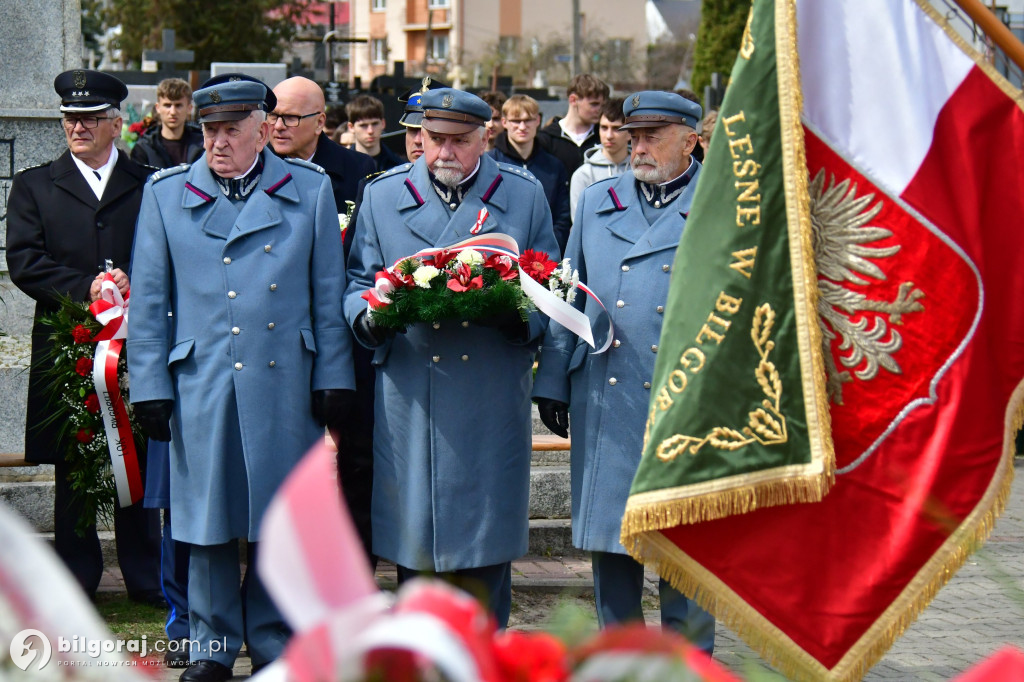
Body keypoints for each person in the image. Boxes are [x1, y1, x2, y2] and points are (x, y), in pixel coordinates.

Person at [127, 77, 355, 682]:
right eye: (209, 130)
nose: (218, 142)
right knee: (206, 521)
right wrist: (148, 385)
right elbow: (148, 301)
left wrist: (334, 377)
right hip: (202, 380)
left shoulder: (309, 189)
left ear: (263, 129)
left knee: (280, 519)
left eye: (231, 130)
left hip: (285, 381)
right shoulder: (167, 194)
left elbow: (327, 292)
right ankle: (211, 645)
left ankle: (275, 639)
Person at [343, 88, 559, 628]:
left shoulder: (523, 195)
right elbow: (355, 280)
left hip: (490, 389)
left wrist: (518, 317)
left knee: (485, 545)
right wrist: (370, 317)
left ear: (485, 137)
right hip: (412, 391)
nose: (443, 152)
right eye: (434, 138)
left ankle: (484, 653)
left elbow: (552, 284)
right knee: (416, 543)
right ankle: (422, 651)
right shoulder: (383, 195)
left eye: (459, 141)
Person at [533, 91, 716, 653]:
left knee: (686, 547)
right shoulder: (598, 201)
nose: (638, 147)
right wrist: (553, 380)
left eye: (652, 137)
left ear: (690, 141)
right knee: (612, 544)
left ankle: (688, 665)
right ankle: (622, 661)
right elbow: (570, 290)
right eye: (634, 136)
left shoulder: (724, 205)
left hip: (687, 403)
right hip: (607, 394)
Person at [6, 69, 163, 605]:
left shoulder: (150, 183)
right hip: (66, 343)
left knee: (134, 454)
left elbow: (168, 252)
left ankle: (145, 573)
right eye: (71, 118)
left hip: (133, 343)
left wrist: (134, 281)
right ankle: (76, 576)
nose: (78, 126)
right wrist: (87, 288)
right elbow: (25, 261)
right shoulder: (34, 185)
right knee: (73, 461)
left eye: (91, 118)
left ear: (116, 124)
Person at [270, 75, 376, 565]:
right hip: (280, 339)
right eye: (273, 115)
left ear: (321, 122)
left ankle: (355, 569)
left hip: (345, 341)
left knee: (356, 460)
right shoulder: (257, 170)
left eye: (291, 117)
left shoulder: (358, 172)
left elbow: (365, 255)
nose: (278, 125)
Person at [488, 94, 571, 253]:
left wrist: (546, 253)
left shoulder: (554, 167)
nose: (522, 127)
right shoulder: (489, 163)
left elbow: (562, 217)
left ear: (538, 120)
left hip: (543, 257)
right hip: (500, 254)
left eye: (528, 120)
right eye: (516, 121)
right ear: (504, 122)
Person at [569, 96, 629, 221]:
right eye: (604, 127)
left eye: (616, 128)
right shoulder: (583, 175)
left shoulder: (642, 170)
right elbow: (580, 223)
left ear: (630, 133)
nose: (609, 136)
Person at [537, 74, 609, 176]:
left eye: (603, 105)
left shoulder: (604, 136)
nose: (600, 110)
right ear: (573, 100)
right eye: (594, 104)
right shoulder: (547, 139)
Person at [130, 78, 203, 168]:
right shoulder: (144, 148)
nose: (173, 112)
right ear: (158, 108)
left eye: (178, 105)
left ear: (189, 108)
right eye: (167, 105)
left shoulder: (203, 145)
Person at [344, 94, 403, 172]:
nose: (370, 131)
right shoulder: (342, 166)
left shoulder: (399, 166)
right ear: (351, 127)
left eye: (375, 124)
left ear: (383, 123)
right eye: (363, 125)